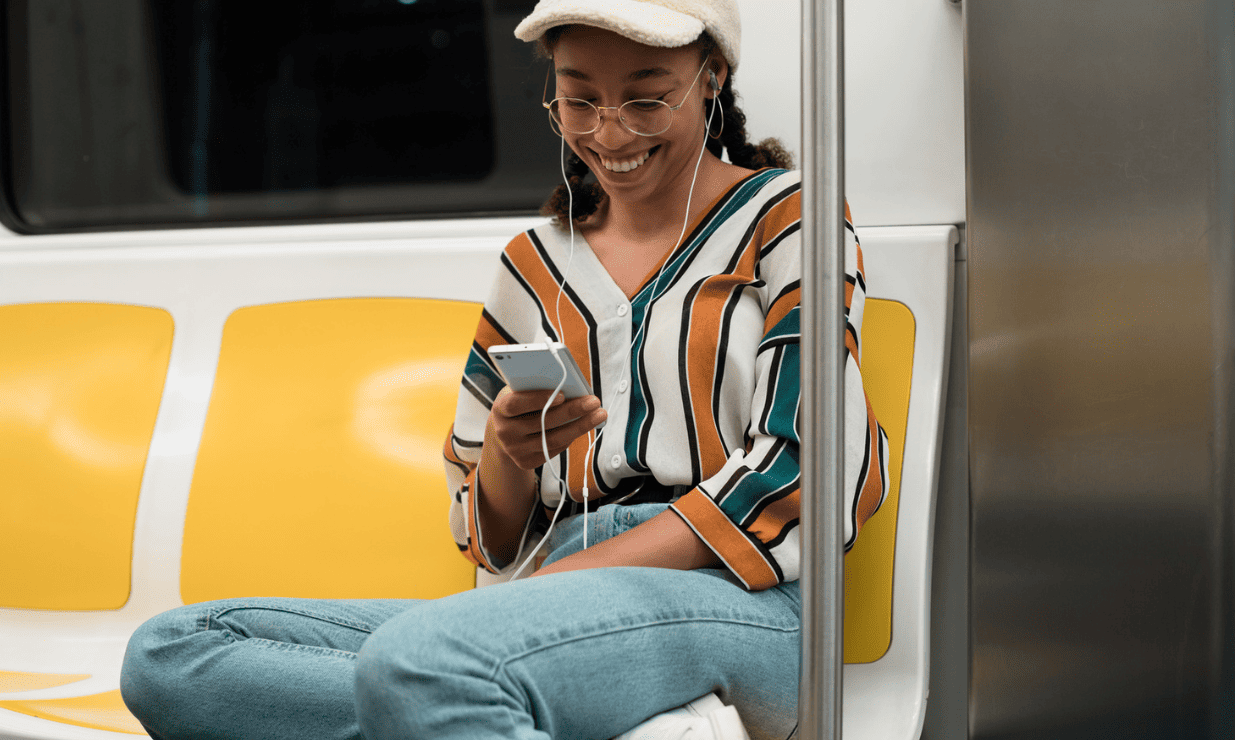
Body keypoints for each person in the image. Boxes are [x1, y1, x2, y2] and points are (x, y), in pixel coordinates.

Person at [119, 1, 888, 738]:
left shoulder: (791, 216)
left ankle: (460, 702)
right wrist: (509, 457)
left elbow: (807, 465)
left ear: (711, 78)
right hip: (544, 598)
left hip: (737, 603)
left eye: (646, 101)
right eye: (578, 101)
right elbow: (490, 535)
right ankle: (532, 714)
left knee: (422, 664)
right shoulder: (533, 264)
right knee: (172, 655)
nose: (608, 131)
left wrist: (567, 583)